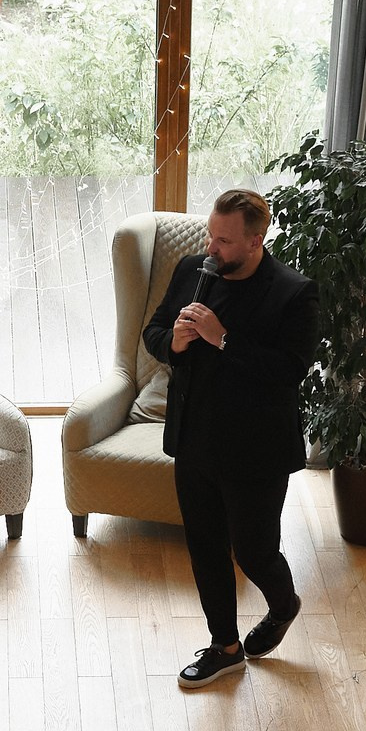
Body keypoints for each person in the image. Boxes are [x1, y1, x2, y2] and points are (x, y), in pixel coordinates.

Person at [141, 187, 320, 692]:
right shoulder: (193, 271)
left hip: (256, 450)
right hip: (194, 439)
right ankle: (225, 649)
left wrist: (223, 338)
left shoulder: (294, 292)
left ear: (255, 241)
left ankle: (283, 605)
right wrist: (174, 343)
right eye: (210, 236)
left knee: (255, 552)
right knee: (204, 546)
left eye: (223, 241)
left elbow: (289, 371)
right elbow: (154, 331)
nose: (211, 248)